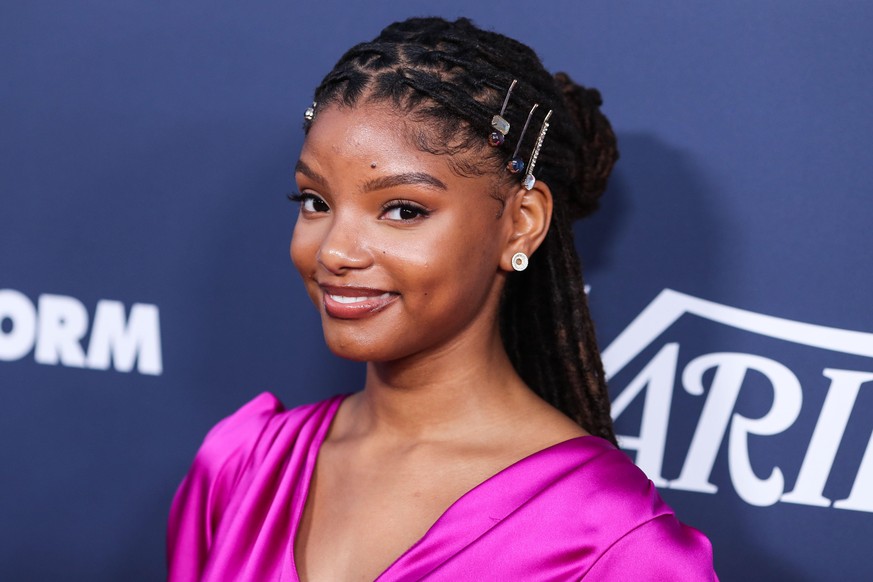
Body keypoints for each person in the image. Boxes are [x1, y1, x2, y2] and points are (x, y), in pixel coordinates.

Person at [167, 16, 717, 581]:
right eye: (314, 202)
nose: (334, 251)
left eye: (403, 209)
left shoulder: (609, 539)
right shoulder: (242, 466)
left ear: (521, 224)